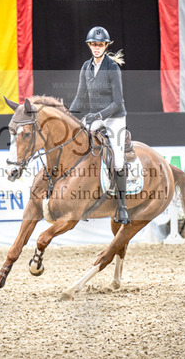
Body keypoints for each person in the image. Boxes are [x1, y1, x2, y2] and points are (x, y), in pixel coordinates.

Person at [69, 26, 130, 224]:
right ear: (89, 45)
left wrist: (99, 116)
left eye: (100, 44)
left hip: (114, 117)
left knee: (118, 160)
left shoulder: (112, 68)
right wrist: (67, 115)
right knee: (77, 143)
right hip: (95, 117)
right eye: (94, 44)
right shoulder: (86, 67)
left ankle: (122, 207)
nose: (97, 47)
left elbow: (118, 102)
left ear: (105, 46)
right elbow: (80, 96)